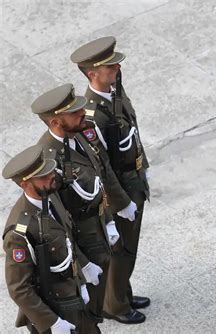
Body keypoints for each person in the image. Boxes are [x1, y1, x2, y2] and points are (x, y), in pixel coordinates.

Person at [31, 83, 131, 333]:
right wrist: (83, 262)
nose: (82, 113)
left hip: (97, 232)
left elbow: (98, 180)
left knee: (95, 305)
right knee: (84, 315)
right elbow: (58, 220)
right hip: (79, 246)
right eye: (74, 112)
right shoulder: (47, 161)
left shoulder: (79, 135)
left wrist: (108, 221)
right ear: (55, 122)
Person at [70, 36, 150, 324]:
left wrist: (144, 166)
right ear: (93, 74)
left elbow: (132, 132)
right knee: (121, 251)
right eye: (110, 66)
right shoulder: (92, 117)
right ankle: (114, 305)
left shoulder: (114, 93)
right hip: (121, 193)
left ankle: (122, 294)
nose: (117, 67)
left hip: (134, 181)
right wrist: (122, 203)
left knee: (129, 249)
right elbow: (101, 167)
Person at [2, 145, 88, 333]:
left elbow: (67, 243)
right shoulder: (19, 232)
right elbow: (19, 289)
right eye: (43, 176)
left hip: (72, 296)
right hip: (53, 309)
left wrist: (80, 280)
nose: (51, 177)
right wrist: (52, 322)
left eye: (49, 171)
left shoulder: (49, 195)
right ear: (25, 184)